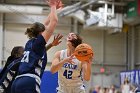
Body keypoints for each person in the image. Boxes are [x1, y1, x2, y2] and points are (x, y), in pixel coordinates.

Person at [11, 0, 62, 93]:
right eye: (45, 30)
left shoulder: (29, 43)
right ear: (41, 33)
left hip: (16, 82)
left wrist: (51, 45)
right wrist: (53, 5)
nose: (47, 31)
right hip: (29, 81)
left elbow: (44, 25)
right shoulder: (38, 42)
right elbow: (54, 22)